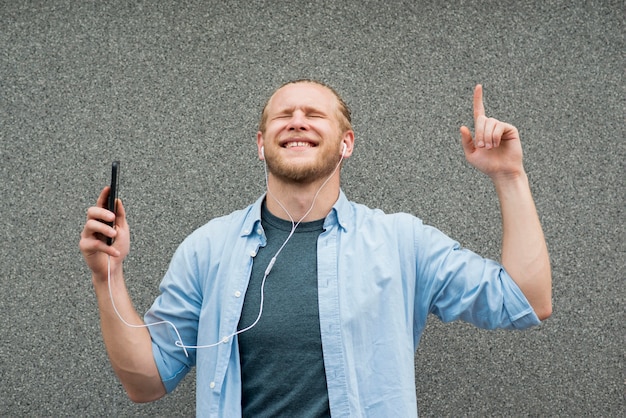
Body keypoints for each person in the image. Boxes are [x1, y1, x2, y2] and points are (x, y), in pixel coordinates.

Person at [80, 79, 552, 417]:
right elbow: (145, 382)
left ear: (346, 143)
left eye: (314, 114)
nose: (297, 121)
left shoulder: (401, 242)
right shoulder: (207, 250)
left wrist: (509, 175)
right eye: (283, 116)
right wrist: (108, 276)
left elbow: (526, 300)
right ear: (261, 145)